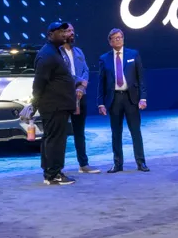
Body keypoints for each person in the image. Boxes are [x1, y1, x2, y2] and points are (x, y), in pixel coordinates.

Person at [97, 29, 149, 173]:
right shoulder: (104, 58)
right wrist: (100, 102)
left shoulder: (133, 54)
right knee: (116, 133)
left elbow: (141, 78)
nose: (118, 40)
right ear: (110, 42)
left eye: (120, 37)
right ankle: (118, 164)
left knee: (135, 131)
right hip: (114, 99)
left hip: (131, 98)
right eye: (115, 38)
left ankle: (141, 162)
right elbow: (101, 82)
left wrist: (143, 98)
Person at [33, 21, 78, 186]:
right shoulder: (47, 54)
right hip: (54, 105)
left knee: (51, 138)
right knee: (56, 140)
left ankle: (49, 172)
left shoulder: (54, 52)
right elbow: (39, 83)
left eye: (64, 31)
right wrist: (34, 104)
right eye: (60, 31)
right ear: (50, 34)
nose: (64, 34)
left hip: (57, 105)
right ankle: (54, 174)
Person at [63, 23, 100, 174]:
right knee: (61, 133)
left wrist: (82, 87)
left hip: (80, 95)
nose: (72, 33)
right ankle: (57, 168)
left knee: (80, 131)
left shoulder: (78, 51)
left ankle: (83, 164)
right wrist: (78, 82)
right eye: (68, 31)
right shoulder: (57, 53)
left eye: (73, 30)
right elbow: (63, 73)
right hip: (64, 96)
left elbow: (86, 70)